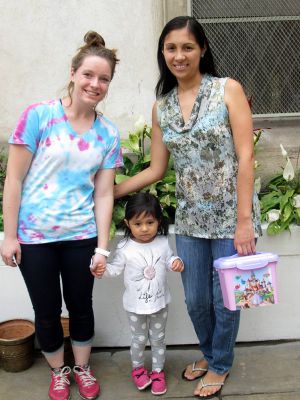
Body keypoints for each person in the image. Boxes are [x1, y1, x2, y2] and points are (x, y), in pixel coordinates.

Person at [114, 16, 262, 399]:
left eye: (187, 47)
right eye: (171, 48)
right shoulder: (160, 107)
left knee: (226, 298)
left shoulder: (227, 89)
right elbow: (156, 169)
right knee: (196, 299)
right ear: (163, 54)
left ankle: (219, 364)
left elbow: (246, 157)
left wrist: (245, 221)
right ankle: (213, 353)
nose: (179, 56)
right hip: (193, 218)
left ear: (202, 50)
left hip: (233, 216)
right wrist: (111, 192)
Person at [1, 31, 123, 400]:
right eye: (89, 74)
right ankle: (59, 372)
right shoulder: (39, 117)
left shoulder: (108, 133)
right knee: (47, 310)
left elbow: (104, 194)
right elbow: (15, 180)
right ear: (73, 72)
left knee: (81, 307)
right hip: (35, 238)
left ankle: (83, 368)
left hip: (81, 237)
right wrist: (10, 235)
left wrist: (102, 247)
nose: (95, 84)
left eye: (104, 79)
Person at [91, 193, 184, 396]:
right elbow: (114, 269)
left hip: (160, 303)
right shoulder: (125, 248)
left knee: (158, 339)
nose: (144, 228)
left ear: (158, 221)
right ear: (127, 223)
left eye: (150, 222)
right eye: (138, 223)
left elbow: (169, 260)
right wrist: (101, 269)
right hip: (134, 306)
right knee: (138, 339)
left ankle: (158, 372)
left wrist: (176, 262)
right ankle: (138, 370)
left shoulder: (162, 242)